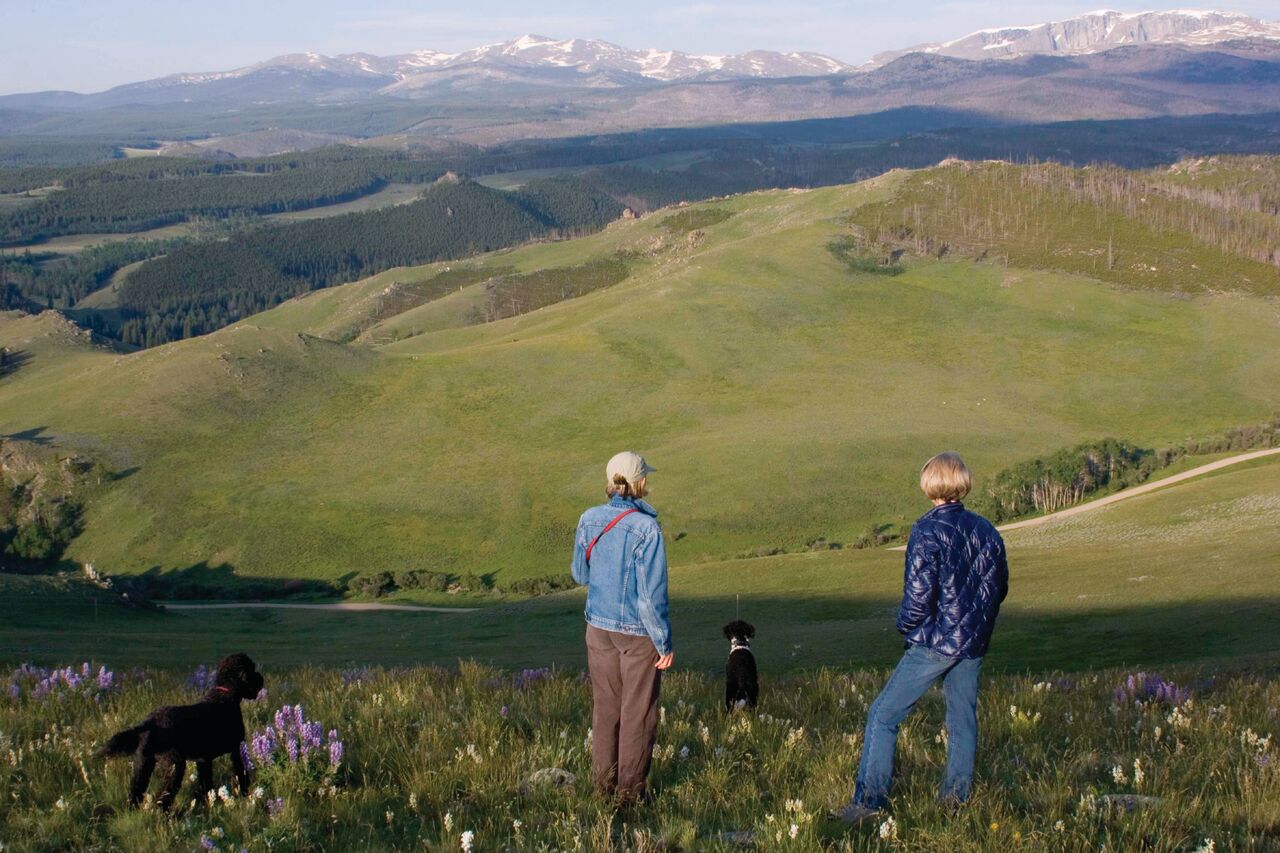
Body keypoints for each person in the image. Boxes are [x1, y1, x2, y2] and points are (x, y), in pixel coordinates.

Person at [838, 451, 1009, 823]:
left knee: (883, 714)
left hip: (936, 641)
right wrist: (976, 626)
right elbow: (999, 588)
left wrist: (910, 630)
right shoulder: (987, 530)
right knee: (962, 718)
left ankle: (869, 803)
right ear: (961, 483)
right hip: (973, 641)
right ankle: (955, 800)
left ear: (930, 485)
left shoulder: (927, 530)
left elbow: (917, 597)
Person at [571, 450, 674, 805]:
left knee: (606, 709)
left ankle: (603, 789)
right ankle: (629, 796)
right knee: (638, 713)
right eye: (646, 477)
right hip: (638, 634)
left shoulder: (589, 519)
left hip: (597, 628)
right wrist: (663, 642)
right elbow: (650, 596)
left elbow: (579, 574)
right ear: (639, 482)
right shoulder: (647, 528)